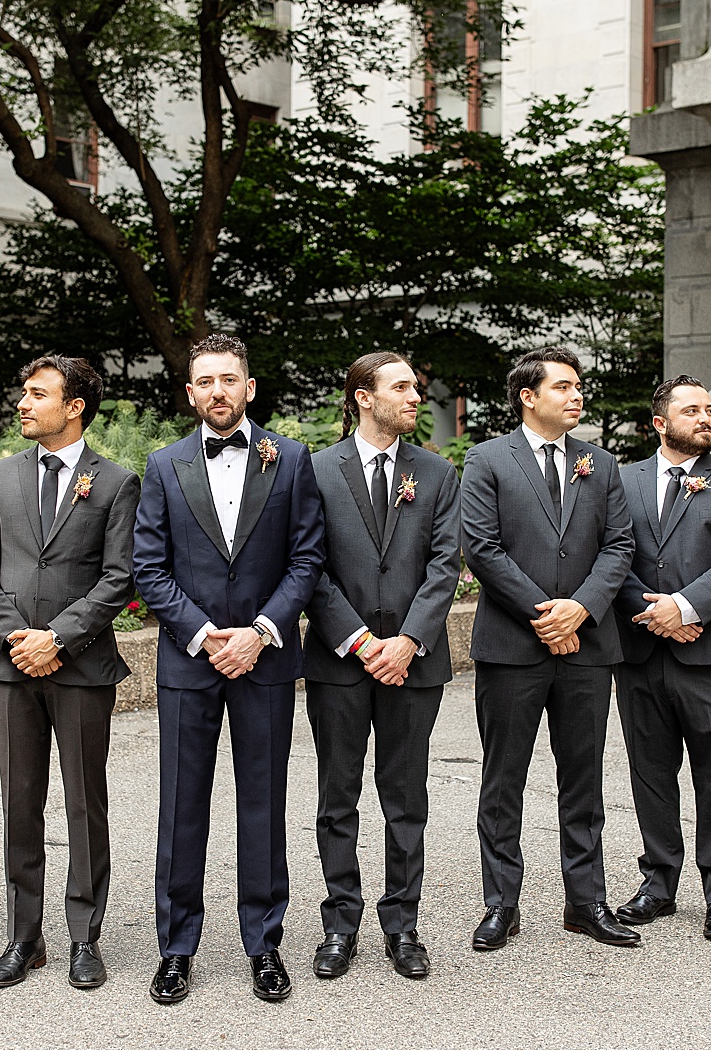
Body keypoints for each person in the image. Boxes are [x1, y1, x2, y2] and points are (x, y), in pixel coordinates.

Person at [131, 333, 325, 1005]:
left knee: (263, 804)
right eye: (205, 380)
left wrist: (262, 632)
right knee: (182, 807)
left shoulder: (291, 459)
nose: (217, 390)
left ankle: (263, 941)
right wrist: (208, 634)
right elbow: (148, 568)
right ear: (190, 393)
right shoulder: (164, 465)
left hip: (264, 659)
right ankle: (176, 946)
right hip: (191, 660)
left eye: (229, 379)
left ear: (249, 388)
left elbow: (307, 559)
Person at [0, 355, 141, 989]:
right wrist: (17, 638)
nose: (22, 403)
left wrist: (58, 639)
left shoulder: (116, 483)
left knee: (84, 803)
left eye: (37, 394)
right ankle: (23, 936)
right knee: (19, 802)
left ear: (75, 409)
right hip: (12, 668)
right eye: (24, 391)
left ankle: (84, 938)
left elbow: (120, 576)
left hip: (82, 667)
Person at [459, 345, 639, 949]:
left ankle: (586, 901)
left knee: (584, 779)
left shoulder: (602, 464)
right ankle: (501, 903)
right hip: (514, 645)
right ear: (528, 397)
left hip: (588, 647)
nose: (576, 395)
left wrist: (580, 609)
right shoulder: (487, 460)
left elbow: (619, 546)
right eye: (562, 386)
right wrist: (545, 613)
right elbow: (482, 547)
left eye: (578, 386)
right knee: (503, 778)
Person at [303, 352, 461, 981]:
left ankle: (402, 923)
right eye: (400, 388)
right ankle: (341, 921)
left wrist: (407, 641)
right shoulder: (314, 472)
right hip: (341, 663)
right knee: (336, 797)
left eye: (416, 388)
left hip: (413, 664)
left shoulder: (438, 474)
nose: (415, 396)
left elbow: (445, 565)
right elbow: (307, 565)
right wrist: (362, 640)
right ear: (363, 397)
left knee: (406, 797)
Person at [611, 375, 711, 942]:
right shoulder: (620, 480)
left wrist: (683, 607)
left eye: (709, 409)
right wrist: (651, 613)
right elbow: (611, 554)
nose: (705, 417)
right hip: (638, 649)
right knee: (650, 774)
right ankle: (658, 884)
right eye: (691, 410)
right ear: (660, 423)